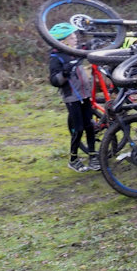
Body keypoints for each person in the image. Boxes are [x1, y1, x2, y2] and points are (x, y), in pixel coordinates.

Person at [48, 23, 99, 173]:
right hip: (72, 98)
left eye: (75, 35)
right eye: (71, 36)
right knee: (79, 129)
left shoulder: (75, 51)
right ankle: (73, 159)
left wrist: (93, 42)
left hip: (85, 94)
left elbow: (86, 48)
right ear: (63, 41)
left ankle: (93, 157)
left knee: (90, 126)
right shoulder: (56, 57)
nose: (75, 38)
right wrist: (64, 73)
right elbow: (54, 81)